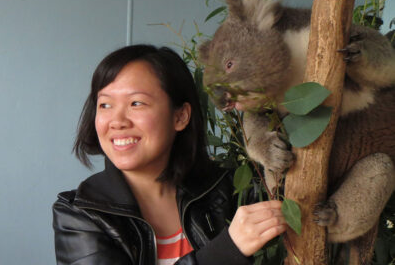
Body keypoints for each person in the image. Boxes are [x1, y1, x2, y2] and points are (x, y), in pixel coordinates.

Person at [52, 44, 287, 265]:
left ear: (180, 116)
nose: (117, 121)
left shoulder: (230, 188)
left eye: (136, 103)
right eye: (105, 105)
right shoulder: (80, 214)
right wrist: (226, 250)